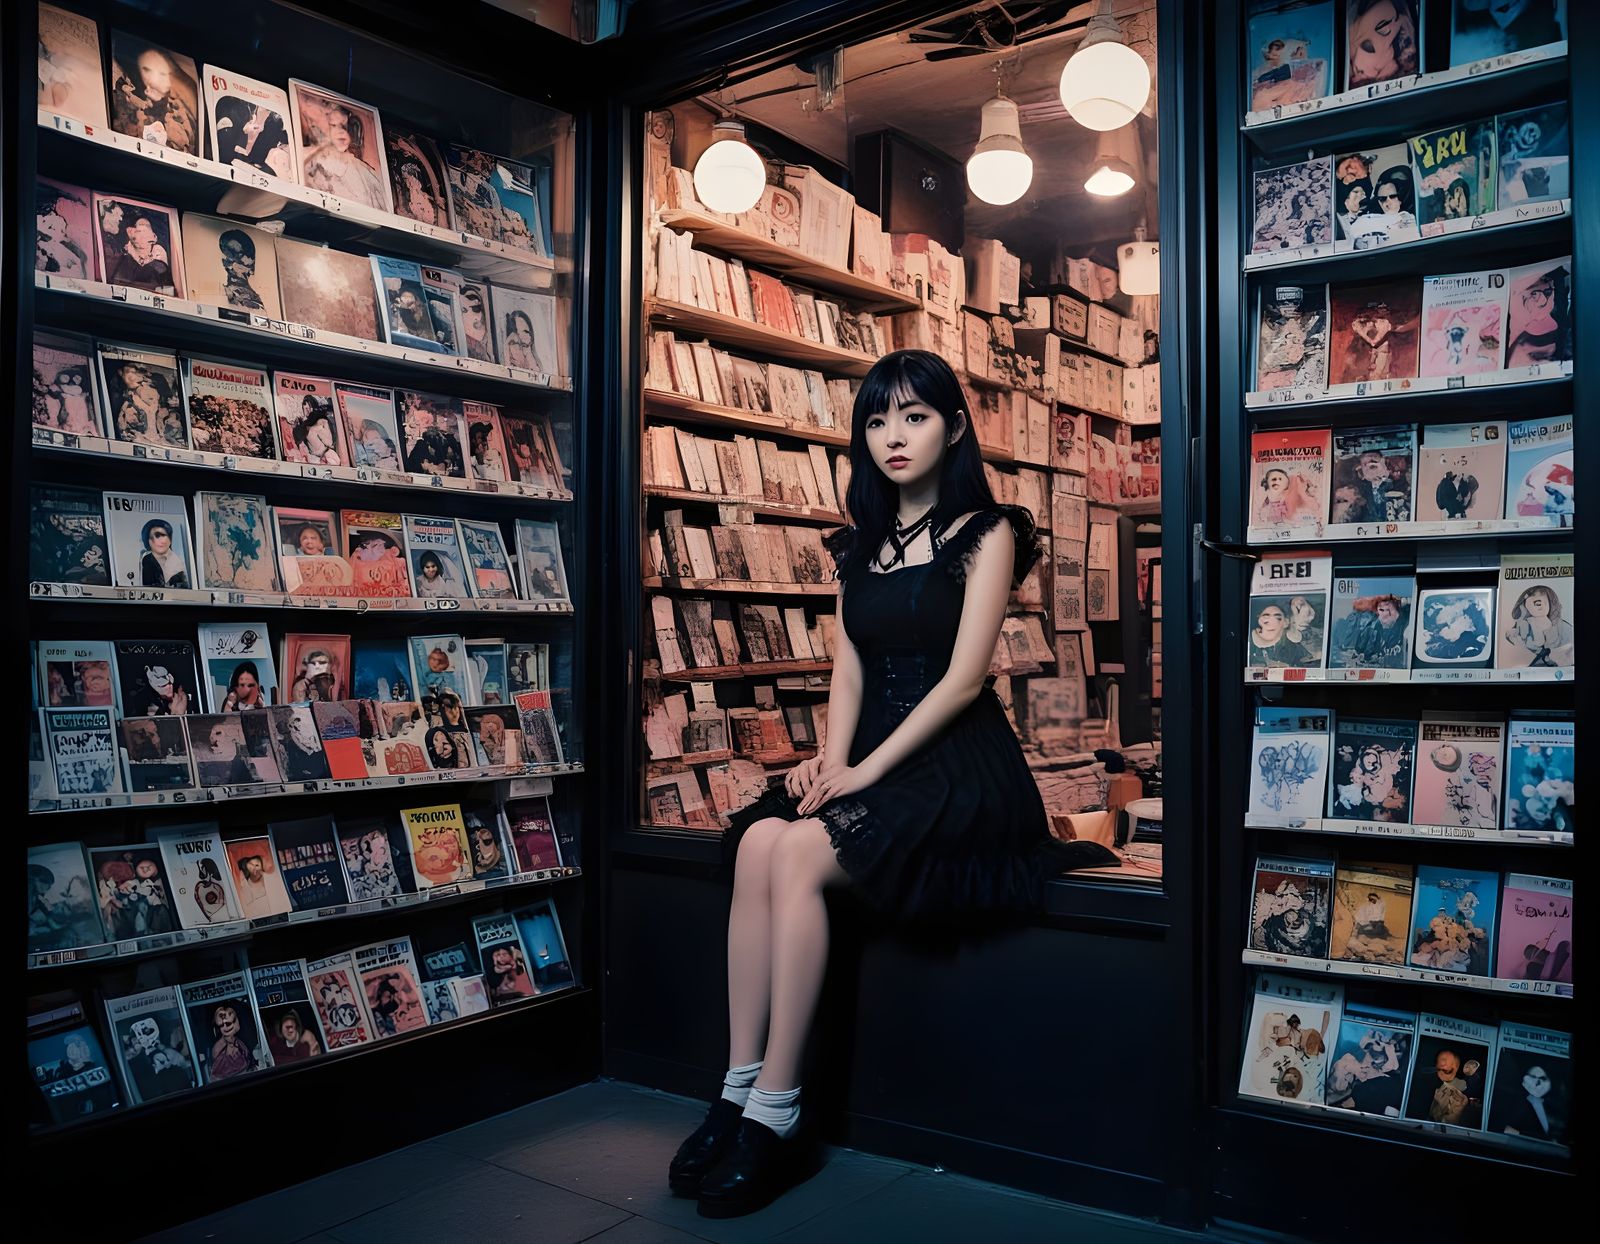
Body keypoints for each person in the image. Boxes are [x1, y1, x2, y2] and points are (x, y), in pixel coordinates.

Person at [665, 350, 1115, 1216]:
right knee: (760, 838)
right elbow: (849, 671)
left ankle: (779, 1112)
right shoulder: (860, 544)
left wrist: (863, 770)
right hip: (871, 752)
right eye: (876, 420)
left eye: (913, 416)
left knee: (796, 855)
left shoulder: (992, 531)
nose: (893, 436)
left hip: (956, 762)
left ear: (953, 427)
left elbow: (962, 681)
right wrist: (833, 760)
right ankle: (736, 1086)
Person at [299, 100, 387, 209]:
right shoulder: (310, 158)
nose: (341, 131)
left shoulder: (360, 167)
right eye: (333, 125)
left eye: (343, 126)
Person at [1502, 583, 1574, 666]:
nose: (1541, 605)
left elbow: (1570, 650)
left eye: (1546, 601)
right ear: (1524, 605)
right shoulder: (1522, 626)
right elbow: (1515, 646)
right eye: (1536, 603)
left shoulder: (1563, 627)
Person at [206, 1004, 257, 1080]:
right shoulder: (218, 1047)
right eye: (222, 1025)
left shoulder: (239, 1042)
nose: (225, 1027)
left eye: (228, 1023)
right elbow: (217, 1075)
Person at [139, 518, 189, 588]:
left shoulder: (180, 560)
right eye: (152, 537)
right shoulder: (148, 560)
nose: (158, 541)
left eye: (161, 536)